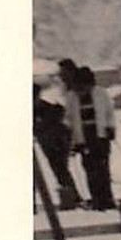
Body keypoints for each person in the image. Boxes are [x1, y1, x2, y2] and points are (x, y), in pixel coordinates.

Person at [63, 66, 116, 211]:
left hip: (100, 137)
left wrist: (110, 127)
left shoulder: (101, 93)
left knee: (103, 169)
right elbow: (68, 118)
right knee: (90, 170)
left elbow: (109, 112)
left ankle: (108, 199)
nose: (81, 91)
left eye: (84, 87)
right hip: (83, 139)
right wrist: (70, 137)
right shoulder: (71, 97)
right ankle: (97, 199)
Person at [33, 82, 81, 210]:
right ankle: (71, 197)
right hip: (49, 142)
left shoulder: (48, 108)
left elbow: (58, 115)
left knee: (60, 169)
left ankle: (72, 198)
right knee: (60, 170)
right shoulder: (38, 109)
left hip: (58, 140)